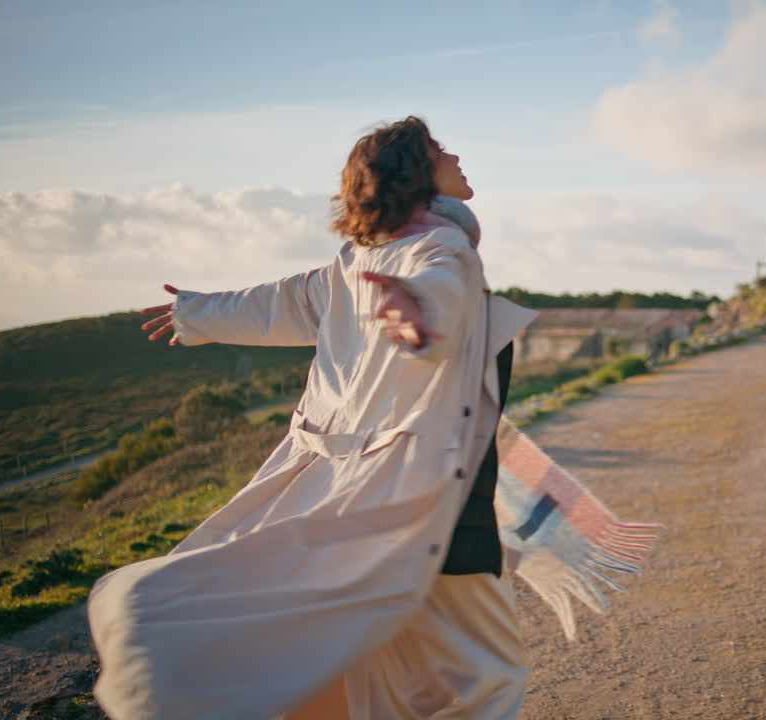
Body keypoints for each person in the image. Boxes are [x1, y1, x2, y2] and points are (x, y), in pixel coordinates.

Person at [87, 116, 540, 720]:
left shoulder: (359, 260)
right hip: (426, 502)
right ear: (414, 173)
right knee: (488, 675)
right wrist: (417, 314)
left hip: (354, 497)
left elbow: (281, 302)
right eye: (439, 150)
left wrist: (196, 314)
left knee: (346, 661)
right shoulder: (439, 247)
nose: (455, 156)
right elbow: (435, 289)